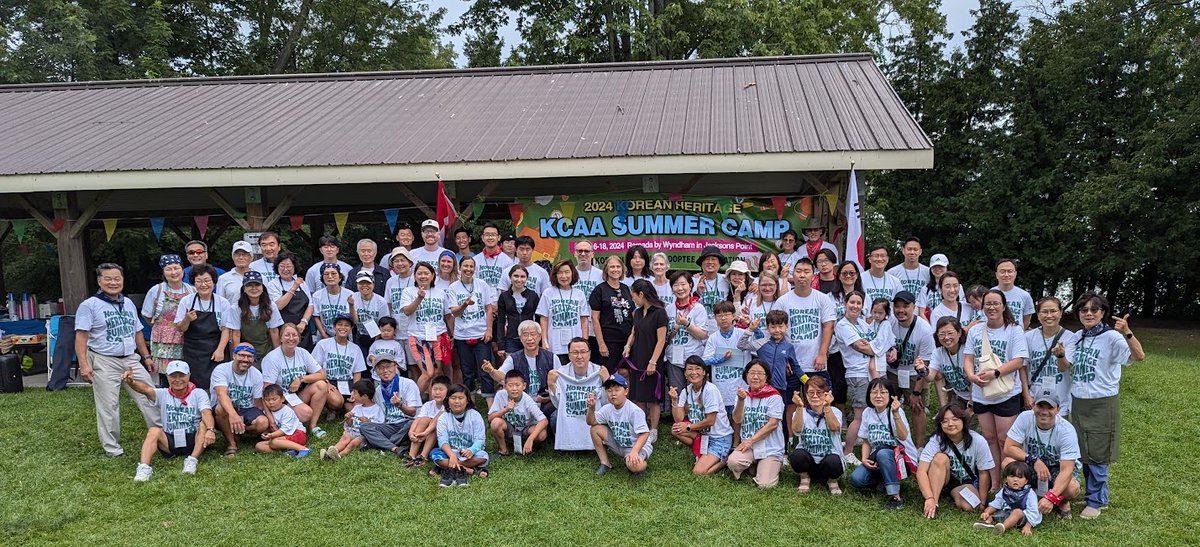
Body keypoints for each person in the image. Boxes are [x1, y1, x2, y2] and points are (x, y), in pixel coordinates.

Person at [1056, 292, 1143, 519]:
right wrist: (1060, 355)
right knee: (1083, 452)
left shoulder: (1113, 338)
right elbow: (1065, 367)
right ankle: (1097, 497)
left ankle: (1095, 502)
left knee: (1098, 453)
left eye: (1094, 310)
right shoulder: (1076, 337)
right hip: (1079, 401)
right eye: (1084, 310)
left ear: (1103, 313)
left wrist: (1127, 333)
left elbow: (1139, 356)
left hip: (1102, 402)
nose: (1089, 314)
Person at [75, 263, 163, 458]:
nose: (113, 282)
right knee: (109, 405)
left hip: (131, 359)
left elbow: (138, 332)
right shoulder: (89, 305)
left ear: (122, 280)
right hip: (104, 360)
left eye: (117, 278)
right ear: (99, 281)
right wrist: (84, 365)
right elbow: (81, 337)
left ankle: (162, 436)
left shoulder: (128, 303)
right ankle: (112, 448)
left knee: (149, 396)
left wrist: (146, 356)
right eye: (108, 278)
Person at [964, 289, 1030, 487]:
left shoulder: (1014, 330)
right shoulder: (976, 330)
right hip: (981, 392)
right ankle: (994, 482)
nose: (991, 307)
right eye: (988, 304)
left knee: (1004, 440)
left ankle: (1008, 480)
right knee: (989, 438)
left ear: (1003, 306)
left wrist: (996, 373)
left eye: (996, 303)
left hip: (1006, 392)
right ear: (982, 307)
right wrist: (970, 375)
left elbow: (1019, 360)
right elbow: (968, 358)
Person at [124, 361, 214, 481]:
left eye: (181, 375)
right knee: (153, 430)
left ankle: (192, 460)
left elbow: (206, 412)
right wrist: (132, 382)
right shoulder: (163, 393)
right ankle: (144, 468)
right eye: (173, 376)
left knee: (203, 424)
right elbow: (145, 390)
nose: (177, 380)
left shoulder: (198, 393)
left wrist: (210, 430)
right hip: (170, 440)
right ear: (167, 377)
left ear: (189, 376)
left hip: (194, 439)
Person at [1003, 389, 1081, 520]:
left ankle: (1061, 501)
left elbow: (1067, 470)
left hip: (1057, 469)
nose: (1044, 412)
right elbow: (1008, 448)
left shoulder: (1067, 431)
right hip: (1032, 465)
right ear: (1033, 406)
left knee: (1072, 488)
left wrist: (1051, 497)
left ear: (1058, 409)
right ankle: (1022, 497)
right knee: (1007, 463)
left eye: (1050, 407)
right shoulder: (1025, 418)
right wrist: (1034, 461)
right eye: (1040, 406)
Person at [849, 379, 919, 510]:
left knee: (883, 453)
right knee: (856, 479)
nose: (878, 396)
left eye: (883, 392)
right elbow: (866, 441)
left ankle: (895, 497)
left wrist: (896, 414)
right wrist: (864, 459)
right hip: (878, 459)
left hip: (902, 460)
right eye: (874, 392)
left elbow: (903, 436)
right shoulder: (867, 412)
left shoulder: (895, 412)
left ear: (891, 395)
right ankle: (885, 481)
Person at [917, 405, 995, 519]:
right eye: (945, 421)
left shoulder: (978, 440)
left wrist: (983, 502)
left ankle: (951, 493)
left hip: (964, 480)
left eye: (955, 419)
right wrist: (929, 498)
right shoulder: (936, 440)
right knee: (940, 458)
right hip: (943, 475)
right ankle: (935, 503)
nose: (950, 424)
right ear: (940, 424)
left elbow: (984, 473)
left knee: (970, 506)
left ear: (963, 421)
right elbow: (921, 471)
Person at [777, 258, 836, 403]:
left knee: (819, 401)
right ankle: (792, 427)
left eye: (806, 271)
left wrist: (822, 354)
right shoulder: (783, 301)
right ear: (793, 274)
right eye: (798, 271)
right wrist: (783, 358)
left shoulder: (822, 299)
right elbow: (777, 332)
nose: (802, 275)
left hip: (816, 362)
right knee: (791, 402)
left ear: (813, 274)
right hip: (791, 363)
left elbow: (828, 327)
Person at [835, 291, 882, 465]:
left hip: (868, 373)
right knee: (859, 415)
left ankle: (856, 441)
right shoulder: (842, 325)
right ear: (845, 304)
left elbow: (874, 342)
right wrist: (879, 348)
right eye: (852, 302)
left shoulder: (862, 323)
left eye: (858, 303)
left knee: (868, 412)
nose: (855, 306)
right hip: (857, 374)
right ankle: (847, 451)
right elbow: (864, 347)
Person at [260, 323, 330, 438]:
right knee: (306, 413)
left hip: (296, 394)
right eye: (287, 335)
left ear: (299, 338)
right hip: (280, 399)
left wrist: (301, 379)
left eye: (294, 335)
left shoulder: (302, 352)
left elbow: (322, 374)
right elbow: (265, 391)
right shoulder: (272, 358)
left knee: (321, 385)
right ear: (281, 338)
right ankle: (283, 423)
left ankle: (313, 426)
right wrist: (270, 419)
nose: (291, 338)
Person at [668, 356, 733, 475]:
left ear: (704, 372)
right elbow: (679, 419)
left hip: (719, 438)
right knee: (676, 429)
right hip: (703, 435)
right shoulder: (686, 390)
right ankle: (703, 452)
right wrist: (674, 401)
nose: (694, 372)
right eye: (690, 369)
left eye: (698, 369)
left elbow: (710, 421)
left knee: (698, 472)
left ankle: (725, 460)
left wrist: (688, 427)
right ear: (685, 373)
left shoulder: (710, 390)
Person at [174, 264, 235, 390]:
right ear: (193, 283)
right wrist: (187, 319)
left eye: (207, 280)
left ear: (213, 282)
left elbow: (225, 329)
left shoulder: (222, 302)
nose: (203, 285)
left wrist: (220, 350)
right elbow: (180, 328)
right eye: (199, 281)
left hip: (215, 348)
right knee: (194, 386)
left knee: (218, 385)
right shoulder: (187, 301)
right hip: (193, 351)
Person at [727, 360, 785, 488]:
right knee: (733, 462)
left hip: (770, 447)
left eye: (760, 373)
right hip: (749, 447)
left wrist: (750, 441)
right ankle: (755, 464)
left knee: (765, 484)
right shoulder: (742, 395)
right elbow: (737, 420)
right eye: (752, 373)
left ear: (766, 377)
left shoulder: (774, 397)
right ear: (746, 376)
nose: (755, 377)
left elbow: (772, 424)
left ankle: (773, 464)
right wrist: (741, 401)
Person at [738, 310, 799, 434]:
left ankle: (784, 447)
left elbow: (796, 367)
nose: (777, 330)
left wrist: (807, 381)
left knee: (779, 418)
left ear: (786, 327)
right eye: (773, 327)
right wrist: (750, 329)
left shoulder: (788, 347)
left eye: (781, 326)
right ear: (767, 328)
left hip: (780, 387)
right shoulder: (761, 343)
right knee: (762, 415)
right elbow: (741, 345)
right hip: (762, 387)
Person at [887, 290, 934, 448]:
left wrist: (916, 392)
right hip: (892, 371)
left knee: (916, 407)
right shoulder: (889, 323)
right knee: (887, 405)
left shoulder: (924, 330)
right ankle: (890, 442)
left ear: (914, 307)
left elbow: (925, 363)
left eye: (905, 306)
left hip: (914, 373)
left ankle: (919, 446)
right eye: (897, 306)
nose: (901, 310)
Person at [547, 338, 611, 451]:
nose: (579, 356)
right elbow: (559, 404)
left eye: (583, 352)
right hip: (572, 413)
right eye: (575, 352)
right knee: (555, 417)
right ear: (569, 355)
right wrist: (551, 384)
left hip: (593, 415)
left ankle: (597, 442)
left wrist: (607, 381)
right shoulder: (561, 373)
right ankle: (566, 444)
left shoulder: (599, 371)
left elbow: (607, 403)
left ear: (589, 354)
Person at [623, 279, 669, 434]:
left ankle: (654, 429)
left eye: (633, 296)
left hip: (653, 360)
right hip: (637, 359)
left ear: (641, 294)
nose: (633, 299)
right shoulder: (637, 312)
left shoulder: (659, 312)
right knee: (640, 396)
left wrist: (653, 362)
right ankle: (642, 427)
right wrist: (628, 345)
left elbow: (661, 339)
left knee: (653, 397)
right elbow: (634, 333)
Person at [481, 320, 557, 412]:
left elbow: (560, 384)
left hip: (545, 401)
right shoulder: (514, 358)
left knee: (555, 414)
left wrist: (549, 398)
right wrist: (491, 370)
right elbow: (500, 376)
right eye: (525, 335)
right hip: (521, 401)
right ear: (520, 338)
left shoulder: (551, 357)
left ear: (540, 337)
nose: (529, 338)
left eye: (533, 334)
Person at [399, 262, 451, 394]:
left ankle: (434, 405)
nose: (423, 276)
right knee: (428, 372)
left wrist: (452, 334)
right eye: (419, 273)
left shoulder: (440, 293)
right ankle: (411, 402)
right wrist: (419, 299)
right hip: (418, 337)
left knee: (437, 372)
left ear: (433, 275)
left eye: (426, 273)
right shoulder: (408, 292)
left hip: (439, 335)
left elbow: (447, 315)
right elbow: (407, 311)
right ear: (414, 276)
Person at [360, 350, 422, 459]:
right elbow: (380, 417)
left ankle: (379, 443)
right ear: (376, 372)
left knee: (411, 425)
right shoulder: (378, 391)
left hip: (408, 422)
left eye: (388, 366)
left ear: (395, 367)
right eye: (380, 368)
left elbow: (413, 412)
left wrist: (400, 405)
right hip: (390, 425)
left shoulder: (408, 384)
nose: (385, 371)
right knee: (365, 427)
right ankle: (395, 448)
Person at [789, 375, 844, 494]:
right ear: (806, 395)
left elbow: (834, 428)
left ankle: (832, 480)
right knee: (797, 455)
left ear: (826, 394)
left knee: (833, 461)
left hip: (829, 458)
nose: (814, 396)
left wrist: (827, 406)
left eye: (819, 392)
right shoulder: (800, 411)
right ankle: (804, 477)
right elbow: (796, 430)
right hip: (808, 459)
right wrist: (799, 407)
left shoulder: (835, 411)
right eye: (810, 393)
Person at [447, 255, 496, 392]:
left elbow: (489, 308)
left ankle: (489, 402)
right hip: (462, 335)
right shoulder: (453, 288)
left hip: (481, 333)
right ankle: (470, 401)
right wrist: (464, 305)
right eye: (465, 266)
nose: (468, 269)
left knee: (485, 369)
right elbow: (454, 313)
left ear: (475, 268)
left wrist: (489, 330)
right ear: (460, 268)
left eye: (471, 266)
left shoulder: (482, 284)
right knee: (467, 371)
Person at [588, 373, 652, 476]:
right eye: (609, 390)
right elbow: (591, 422)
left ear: (626, 391)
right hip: (619, 443)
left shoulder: (634, 410)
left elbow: (645, 433)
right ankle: (605, 463)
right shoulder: (607, 409)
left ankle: (641, 463)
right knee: (595, 429)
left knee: (633, 467)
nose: (613, 394)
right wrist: (591, 409)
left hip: (637, 445)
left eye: (617, 390)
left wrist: (635, 451)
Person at [210, 344, 268, 457]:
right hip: (225, 409)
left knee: (263, 423)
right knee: (220, 408)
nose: (245, 359)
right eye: (242, 355)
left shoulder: (256, 374)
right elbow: (221, 395)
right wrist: (233, 415)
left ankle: (238, 432)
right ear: (234, 356)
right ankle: (231, 444)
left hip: (246, 408)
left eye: (249, 356)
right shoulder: (221, 369)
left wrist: (269, 421)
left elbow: (258, 403)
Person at [142, 254, 195, 377]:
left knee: (186, 374)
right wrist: (162, 328)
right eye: (168, 269)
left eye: (176, 268)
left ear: (182, 270)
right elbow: (146, 315)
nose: (173, 272)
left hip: (187, 339)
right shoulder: (156, 290)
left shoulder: (192, 290)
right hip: (163, 343)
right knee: (167, 377)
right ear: (163, 272)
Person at [1025, 296, 1078, 416]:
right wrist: (1026, 395)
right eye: (1044, 311)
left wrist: (1060, 356)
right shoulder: (1028, 337)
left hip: (1059, 401)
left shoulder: (1070, 337)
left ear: (1060, 313)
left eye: (1053, 311)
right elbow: (1023, 368)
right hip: (1034, 398)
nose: (1049, 315)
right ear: (1038, 315)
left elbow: (1064, 367)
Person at [432, 384, 489, 487]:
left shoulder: (475, 415)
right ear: (448, 400)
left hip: (469, 453)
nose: (457, 401)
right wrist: (452, 455)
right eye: (453, 398)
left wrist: (472, 450)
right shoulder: (443, 417)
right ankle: (469, 470)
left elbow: (480, 439)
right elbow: (442, 441)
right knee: (434, 454)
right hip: (450, 452)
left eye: (461, 398)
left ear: (467, 400)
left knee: (483, 456)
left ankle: (448, 467)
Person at [538, 259, 590, 364]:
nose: (564, 276)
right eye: (560, 273)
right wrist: (544, 340)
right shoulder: (548, 293)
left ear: (572, 273)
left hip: (576, 345)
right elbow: (544, 319)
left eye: (567, 272)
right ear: (555, 275)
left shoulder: (579, 294)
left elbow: (584, 320)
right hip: (554, 344)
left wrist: (585, 341)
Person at [312, 314, 367, 413]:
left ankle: (341, 408)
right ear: (334, 327)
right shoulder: (323, 344)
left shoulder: (355, 348)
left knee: (356, 409)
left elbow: (357, 373)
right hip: (329, 381)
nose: (343, 328)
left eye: (346, 325)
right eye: (339, 324)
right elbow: (314, 367)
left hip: (348, 383)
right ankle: (329, 407)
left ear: (351, 328)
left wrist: (355, 391)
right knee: (336, 402)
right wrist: (326, 382)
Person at [488, 370, 550, 456]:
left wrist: (530, 439)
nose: (514, 389)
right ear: (505, 386)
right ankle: (503, 450)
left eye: (517, 385)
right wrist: (505, 409)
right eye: (510, 385)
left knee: (542, 434)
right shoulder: (500, 395)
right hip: (509, 429)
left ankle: (527, 445)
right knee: (495, 423)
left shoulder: (527, 400)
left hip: (526, 429)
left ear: (524, 386)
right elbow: (490, 418)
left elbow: (544, 420)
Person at [703, 301, 749, 417]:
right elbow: (705, 360)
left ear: (733, 315)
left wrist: (751, 326)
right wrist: (721, 359)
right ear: (715, 318)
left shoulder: (742, 334)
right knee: (722, 417)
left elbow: (760, 343)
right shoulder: (713, 338)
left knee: (740, 417)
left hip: (740, 384)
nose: (723, 318)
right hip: (721, 385)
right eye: (719, 316)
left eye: (727, 315)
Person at [666, 271, 709, 392]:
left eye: (683, 284)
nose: (680, 288)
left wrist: (687, 324)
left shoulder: (698, 308)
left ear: (690, 285)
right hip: (673, 359)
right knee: (676, 395)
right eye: (675, 285)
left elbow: (702, 335)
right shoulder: (668, 309)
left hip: (694, 358)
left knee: (695, 394)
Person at [320, 378, 384, 461]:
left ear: (365, 396)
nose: (351, 394)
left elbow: (381, 426)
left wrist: (368, 422)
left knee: (353, 443)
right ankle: (332, 451)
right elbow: (350, 424)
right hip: (353, 431)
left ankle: (339, 455)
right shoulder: (357, 407)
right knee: (345, 437)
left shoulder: (376, 409)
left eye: (355, 392)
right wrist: (348, 418)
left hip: (364, 435)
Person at [589, 255, 633, 373]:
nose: (615, 269)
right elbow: (595, 318)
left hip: (626, 340)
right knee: (608, 373)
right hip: (609, 341)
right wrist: (601, 343)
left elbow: (632, 314)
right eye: (612, 267)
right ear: (606, 270)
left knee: (626, 372)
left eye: (618, 266)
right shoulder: (600, 290)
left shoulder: (626, 289)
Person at [975, 461, 1041, 535]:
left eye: (1020, 477)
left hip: (1022, 517)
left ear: (1026, 481)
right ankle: (987, 523)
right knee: (992, 513)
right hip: (1005, 514)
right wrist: (987, 512)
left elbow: (1033, 511)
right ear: (1005, 479)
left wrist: (1027, 526)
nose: (1015, 479)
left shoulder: (1029, 493)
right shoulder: (1004, 491)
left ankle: (1002, 527)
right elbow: (996, 504)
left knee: (1017, 512)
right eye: (1012, 476)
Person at [230, 271, 283, 358]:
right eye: (250, 285)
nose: (254, 288)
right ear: (244, 289)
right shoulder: (236, 308)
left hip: (267, 349)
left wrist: (278, 354)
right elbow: (236, 334)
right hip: (246, 351)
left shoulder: (271, 306)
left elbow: (274, 331)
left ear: (263, 288)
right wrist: (237, 355)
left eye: (257, 285)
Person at [495, 264, 540, 365]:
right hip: (512, 339)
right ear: (510, 277)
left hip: (530, 338)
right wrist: (501, 345)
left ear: (526, 278)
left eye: (522, 277)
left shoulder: (533, 295)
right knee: (512, 367)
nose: (519, 280)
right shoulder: (504, 296)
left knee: (531, 365)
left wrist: (539, 340)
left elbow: (538, 320)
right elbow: (501, 321)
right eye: (516, 276)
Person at [930, 317, 973, 414]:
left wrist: (971, 406)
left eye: (950, 333)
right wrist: (922, 370)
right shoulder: (938, 352)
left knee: (967, 425)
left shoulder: (968, 349)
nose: (946, 337)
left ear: (959, 333)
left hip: (978, 397)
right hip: (959, 396)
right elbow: (931, 376)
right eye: (941, 334)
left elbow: (974, 381)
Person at [270, 252, 313, 348]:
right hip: (283, 330)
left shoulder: (302, 283)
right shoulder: (273, 284)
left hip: (302, 329)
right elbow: (278, 306)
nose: (285, 269)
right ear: (277, 267)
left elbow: (310, 305)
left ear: (294, 268)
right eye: (282, 266)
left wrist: (304, 322)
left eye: (289, 266)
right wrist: (294, 287)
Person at [256, 384, 311, 457]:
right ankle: (289, 451)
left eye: (274, 399)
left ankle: (303, 449)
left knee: (274, 442)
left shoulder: (287, 411)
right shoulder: (268, 412)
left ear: (282, 399)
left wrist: (272, 435)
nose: (271, 402)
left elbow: (285, 430)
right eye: (267, 400)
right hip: (282, 438)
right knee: (259, 446)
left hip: (296, 434)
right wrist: (266, 433)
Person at [406, 375, 449, 466]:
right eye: (434, 389)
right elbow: (418, 419)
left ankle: (423, 456)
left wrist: (425, 432)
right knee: (424, 419)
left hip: (441, 437)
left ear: (448, 392)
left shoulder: (448, 406)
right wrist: (411, 432)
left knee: (435, 426)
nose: (437, 392)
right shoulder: (428, 405)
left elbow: (438, 419)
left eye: (441, 390)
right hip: (423, 435)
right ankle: (411, 455)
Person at [384, 247, 416, 359]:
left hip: (413, 329)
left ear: (410, 262)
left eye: (403, 260)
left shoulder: (416, 279)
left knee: (414, 365)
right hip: (396, 329)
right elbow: (388, 305)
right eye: (396, 261)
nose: (400, 263)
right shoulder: (390, 281)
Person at [310, 263, 352, 342]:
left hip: (345, 336)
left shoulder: (350, 294)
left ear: (340, 277)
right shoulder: (317, 295)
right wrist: (323, 335)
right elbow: (316, 317)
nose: (330, 277)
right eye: (326, 274)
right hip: (324, 336)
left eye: (333, 274)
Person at [349, 270, 387, 355]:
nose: (365, 286)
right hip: (358, 334)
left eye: (368, 283)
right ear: (357, 285)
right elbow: (354, 321)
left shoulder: (381, 301)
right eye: (361, 283)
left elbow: (384, 324)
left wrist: (376, 342)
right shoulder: (352, 298)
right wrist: (351, 306)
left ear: (373, 284)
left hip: (377, 336)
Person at [693, 245, 729, 331]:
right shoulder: (692, 281)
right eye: (706, 259)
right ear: (701, 264)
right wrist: (697, 293)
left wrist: (754, 285)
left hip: (722, 329)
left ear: (720, 264)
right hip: (699, 328)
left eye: (713, 259)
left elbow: (746, 281)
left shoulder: (727, 280)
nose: (710, 262)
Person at [993, 259, 1036, 329]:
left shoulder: (1025, 295)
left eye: (1010, 271)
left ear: (1015, 274)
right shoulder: (989, 295)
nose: (1006, 275)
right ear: (996, 274)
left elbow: (1026, 320)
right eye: (1002, 271)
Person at [473, 222, 513, 290]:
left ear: (499, 237)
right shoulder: (475, 260)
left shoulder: (508, 261)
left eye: (493, 235)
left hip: (501, 299)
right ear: (482, 238)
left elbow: (509, 285)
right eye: (487, 235)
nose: (490, 237)